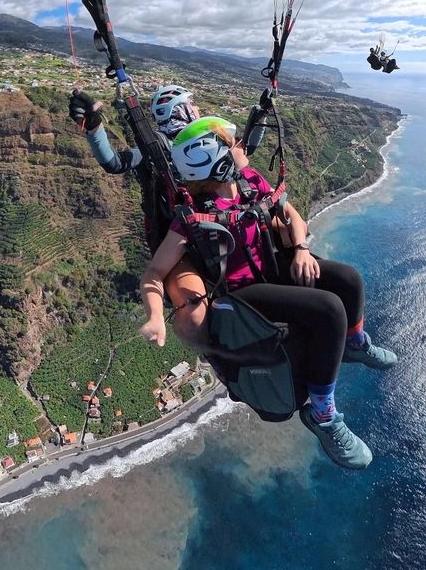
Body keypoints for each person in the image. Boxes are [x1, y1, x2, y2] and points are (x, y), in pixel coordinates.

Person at [139, 117, 397, 470]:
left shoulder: (249, 183)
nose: (240, 147)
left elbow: (290, 216)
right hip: (243, 293)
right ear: (214, 158)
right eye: (231, 144)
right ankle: (323, 416)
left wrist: (302, 249)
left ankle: (355, 343)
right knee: (329, 310)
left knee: (348, 280)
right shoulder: (192, 218)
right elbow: (155, 272)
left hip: (273, 267)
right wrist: (156, 316)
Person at [69, 85, 255, 348]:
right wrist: (94, 127)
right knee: (195, 311)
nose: (198, 109)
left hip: (215, 223)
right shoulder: (156, 147)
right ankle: (219, 352)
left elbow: (240, 168)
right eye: (192, 104)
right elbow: (114, 162)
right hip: (177, 239)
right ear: (179, 109)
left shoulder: (208, 137)